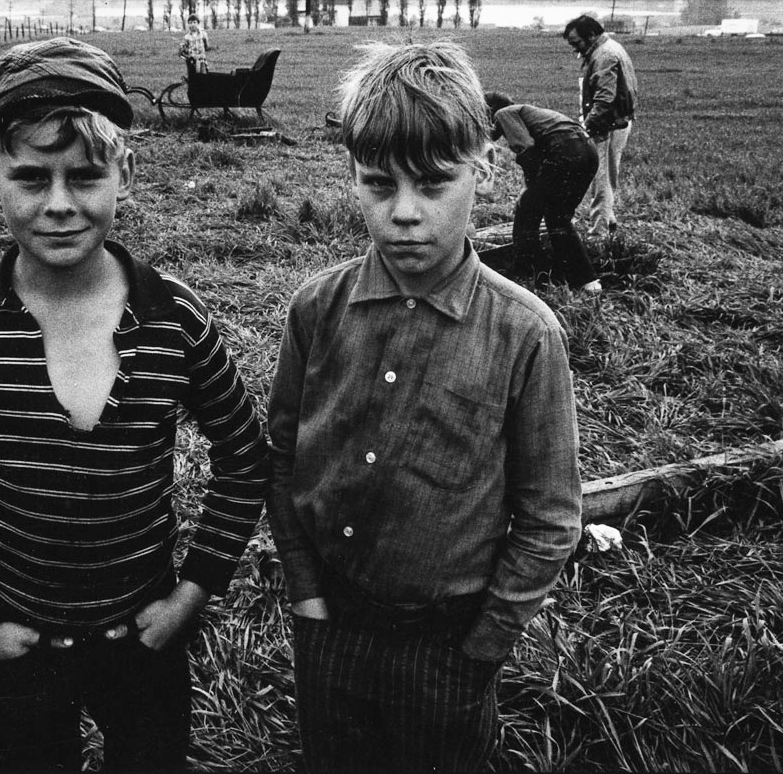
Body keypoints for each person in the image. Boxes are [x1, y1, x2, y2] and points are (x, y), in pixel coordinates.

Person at [0, 37, 269, 772]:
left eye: (85, 176)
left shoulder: (174, 319)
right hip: (10, 646)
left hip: (145, 640)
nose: (59, 204)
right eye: (30, 176)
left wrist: (190, 596)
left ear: (126, 174)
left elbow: (246, 458)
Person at [267, 41, 583, 774]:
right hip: (329, 625)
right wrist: (306, 594)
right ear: (352, 175)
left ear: (485, 169)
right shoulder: (315, 309)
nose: (405, 213)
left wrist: (480, 650)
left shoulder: (526, 334)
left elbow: (550, 517)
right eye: (379, 184)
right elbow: (281, 456)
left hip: (448, 643)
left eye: (434, 182)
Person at [485, 91, 601, 294]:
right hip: (587, 150)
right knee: (558, 219)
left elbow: (525, 147)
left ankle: (527, 274)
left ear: (489, 111)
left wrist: (529, 189)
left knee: (526, 213)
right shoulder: (529, 113)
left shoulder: (503, 113)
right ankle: (586, 281)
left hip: (565, 150)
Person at [562, 14, 637, 237]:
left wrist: (586, 128)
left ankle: (599, 232)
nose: (575, 48)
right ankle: (608, 220)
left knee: (601, 179)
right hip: (614, 122)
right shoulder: (609, 48)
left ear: (592, 35)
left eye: (577, 42)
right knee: (605, 176)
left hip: (607, 125)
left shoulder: (604, 56)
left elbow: (604, 100)